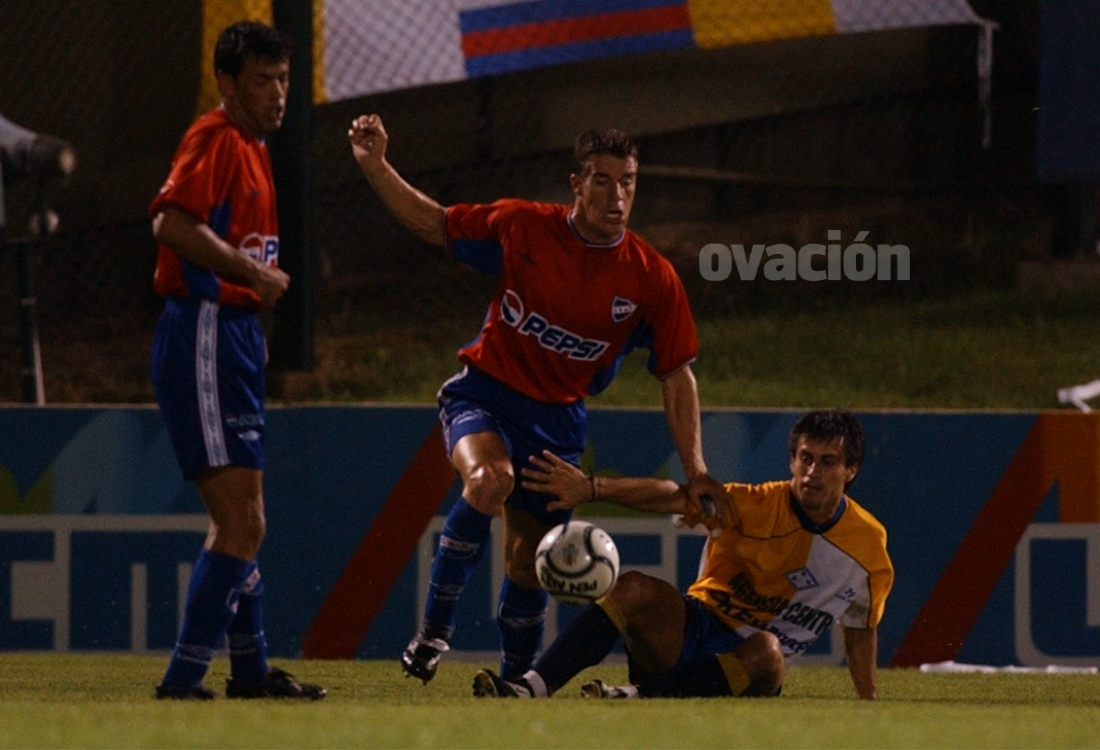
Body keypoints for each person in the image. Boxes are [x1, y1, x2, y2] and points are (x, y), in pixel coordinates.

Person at [348, 116, 727, 684]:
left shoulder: (652, 279)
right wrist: (376, 165)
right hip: (484, 394)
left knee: (529, 562)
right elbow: (436, 224)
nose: (616, 195)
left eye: (627, 181)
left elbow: (677, 376)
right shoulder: (522, 227)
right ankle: (432, 634)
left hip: (557, 422)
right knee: (488, 480)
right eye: (601, 181)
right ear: (575, 183)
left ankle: (514, 686)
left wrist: (696, 468)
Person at [471, 409, 894, 700]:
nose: (812, 473)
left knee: (767, 648)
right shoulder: (754, 505)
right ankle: (530, 687)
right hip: (693, 629)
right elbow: (673, 497)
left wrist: (868, 698)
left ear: (851, 470)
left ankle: (634, 697)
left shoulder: (867, 544)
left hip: (752, 667)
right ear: (792, 461)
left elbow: (860, 624)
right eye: (805, 459)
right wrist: (593, 488)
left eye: (828, 462)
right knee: (632, 587)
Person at [149, 20, 324, 700]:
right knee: (242, 521)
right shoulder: (217, 138)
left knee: (246, 519)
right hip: (204, 332)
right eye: (262, 80)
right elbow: (169, 223)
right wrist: (248, 276)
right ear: (227, 83)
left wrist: (257, 313)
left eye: (284, 79)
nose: (278, 93)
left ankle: (250, 674)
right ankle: (182, 680)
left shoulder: (254, 146)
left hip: (236, 336)